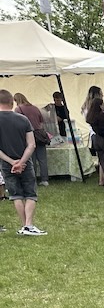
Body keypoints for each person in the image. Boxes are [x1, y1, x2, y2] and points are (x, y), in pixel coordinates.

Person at [0, 89, 46, 235]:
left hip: (6, 164)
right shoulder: (23, 119)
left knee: (16, 195)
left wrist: (12, 162)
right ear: (12, 102)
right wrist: (21, 162)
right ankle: (29, 225)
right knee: (30, 193)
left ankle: (24, 224)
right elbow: (31, 144)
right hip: (25, 162)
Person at [12, 93, 49, 186]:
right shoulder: (35, 108)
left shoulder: (18, 109)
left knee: (31, 159)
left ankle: (33, 179)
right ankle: (45, 179)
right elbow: (41, 122)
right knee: (42, 159)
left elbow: (17, 124)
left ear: (16, 100)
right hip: (40, 135)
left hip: (28, 135)